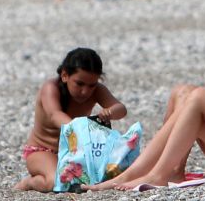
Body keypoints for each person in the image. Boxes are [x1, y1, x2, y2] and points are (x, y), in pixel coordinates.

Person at [15, 48, 127, 192]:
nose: (85, 91)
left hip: (77, 151)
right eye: (79, 84)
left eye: (91, 85)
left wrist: (110, 112)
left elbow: (121, 109)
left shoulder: (97, 90)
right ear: (64, 75)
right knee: (54, 182)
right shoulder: (51, 88)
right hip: (44, 150)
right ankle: (29, 183)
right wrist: (80, 129)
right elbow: (54, 115)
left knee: (117, 172)